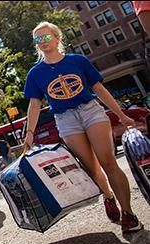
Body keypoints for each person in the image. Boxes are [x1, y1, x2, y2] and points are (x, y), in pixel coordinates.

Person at [23, 21, 144, 233]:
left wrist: (121, 115)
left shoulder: (77, 61)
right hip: (65, 119)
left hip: (91, 111)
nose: (42, 42)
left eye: (46, 37)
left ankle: (128, 214)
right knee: (92, 168)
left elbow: (99, 88)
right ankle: (108, 195)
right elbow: (34, 105)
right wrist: (29, 134)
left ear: (57, 37)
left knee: (108, 161)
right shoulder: (35, 73)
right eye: (37, 39)